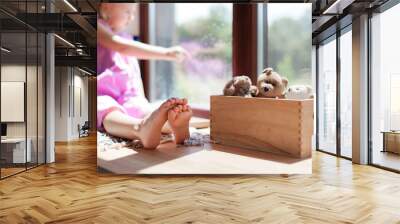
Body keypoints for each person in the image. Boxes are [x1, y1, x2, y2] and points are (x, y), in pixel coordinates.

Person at [97, 3, 192, 148]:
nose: (132, 17)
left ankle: (174, 125)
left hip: (128, 96)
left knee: (143, 110)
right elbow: (120, 46)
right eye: (128, 11)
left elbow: (134, 73)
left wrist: (141, 99)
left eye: (133, 12)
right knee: (104, 107)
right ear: (107, 6)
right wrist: (166, 53)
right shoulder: (97, 27)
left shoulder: (126, 37)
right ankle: (139, 128)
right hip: (103, 93)